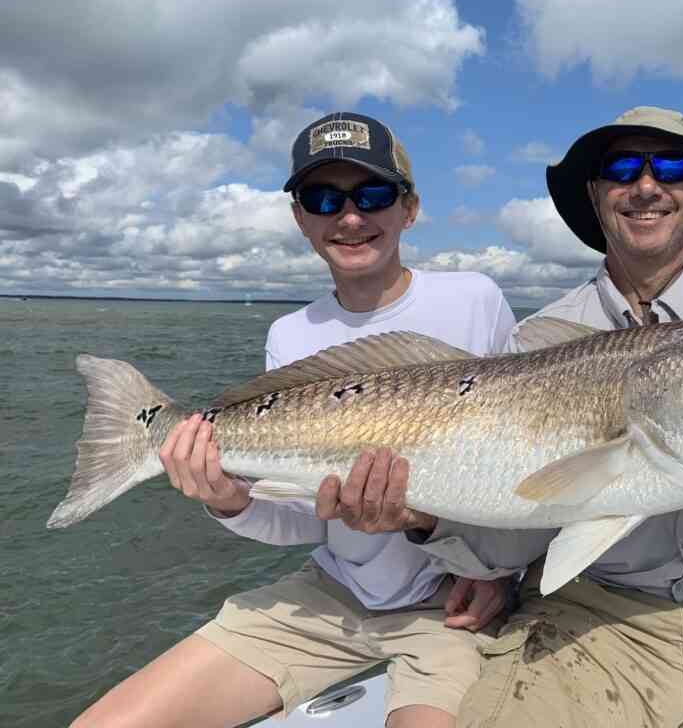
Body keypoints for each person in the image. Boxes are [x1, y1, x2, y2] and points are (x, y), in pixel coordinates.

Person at [340, 107, 683, 727]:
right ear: (596, 195)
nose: (645, 184)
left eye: (672, 166)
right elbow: (515, 533)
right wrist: (419, 519)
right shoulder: (538, 341)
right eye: (620, 168)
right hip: (588, 622)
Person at [72, 111, 517, 728]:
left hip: (453, 606)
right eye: (323, 198)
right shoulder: (291, 334)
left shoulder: (476, 299)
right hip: (329, 597)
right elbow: (306, 523)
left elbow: (531, 453)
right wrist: (228, 502)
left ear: (409, 209)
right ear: (301, 218)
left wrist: (510, 574)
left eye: (373, 194)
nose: (352, 216)